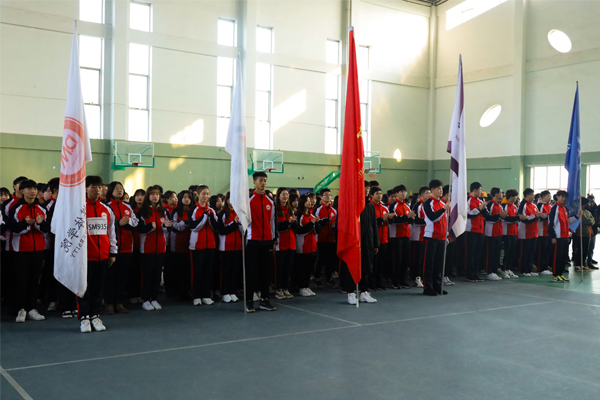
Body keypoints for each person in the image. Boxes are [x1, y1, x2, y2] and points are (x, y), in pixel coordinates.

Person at [78, 176, 117, 332]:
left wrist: (112, 252)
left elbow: (111, 232)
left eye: (100, 187)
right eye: (93, 187)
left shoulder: (107, 210)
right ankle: (84, 318)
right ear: (86, 189)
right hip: (84, 257)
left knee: (98, 288)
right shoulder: (80, 209)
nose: (97, 190)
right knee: (84, 289)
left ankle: (95, 315)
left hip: (103, 256)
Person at [8, 179, 49, 323]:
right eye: (29, 189)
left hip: (38, 250)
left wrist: (40, 223)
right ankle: (21, 309)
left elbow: (47, 229)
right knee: (21, 280)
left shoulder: (42, 208)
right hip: (20, 250)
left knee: (34, 280)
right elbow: (13, 228)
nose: (32, 191)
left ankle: (32, 308)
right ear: (22, 191)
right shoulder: (15, 208)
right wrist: (25, 223)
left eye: (34, 189)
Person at [104, 181, 139, 314]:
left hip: (127, 247)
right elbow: (105, 225)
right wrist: (119, 223)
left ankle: (119, 302)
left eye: (121, 188)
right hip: (111, 247)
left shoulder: (127, 207)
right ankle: (109, 303)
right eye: (116, 188)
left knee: (122, 276)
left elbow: (135, 221)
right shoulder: (106, 206)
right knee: (110, 277)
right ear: (111, 191)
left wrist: (127, 222)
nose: (120, 190)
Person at [136, 185, 173, 311]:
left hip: (161, 247)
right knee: (147, 275)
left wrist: (166, 226)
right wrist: (150, 227)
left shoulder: (164, 211)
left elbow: (168, 228)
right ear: (148, 196)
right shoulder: (142, 212)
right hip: (147, 248)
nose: (155, 196)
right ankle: (145, 299)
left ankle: (154, 298)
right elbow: (140, 229)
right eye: (152, 194)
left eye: (157, 194)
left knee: (157, 275)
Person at [245, 172, 277, 312]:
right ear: (254, 182)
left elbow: (272, 222)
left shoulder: (270, 201)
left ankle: (264, 300)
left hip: (267, 242)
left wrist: (274, 239)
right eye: (260, 180)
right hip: (253, 241)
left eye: (265, 180)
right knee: (252, 273)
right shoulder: (249, 201)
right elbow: (244, 221)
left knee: (266, 273)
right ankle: (249, 301)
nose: (263, 183)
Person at [342, 191, 379, 305]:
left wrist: (376, 243)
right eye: (364, 188)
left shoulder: (370, 205)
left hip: (367, 241)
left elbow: (374, 224)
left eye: (367, 189)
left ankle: (364, 292)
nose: (366, 191)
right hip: (353, 241)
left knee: (366, 267)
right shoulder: (350, 204)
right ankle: (351, 293)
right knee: (351, 267)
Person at [187, 185, 218, 306]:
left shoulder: (211, 210)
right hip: (197, 245)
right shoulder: (193, 210)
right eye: (203, 194)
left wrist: (210, 217)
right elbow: (193, 227)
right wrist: (204, 216)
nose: (206, 196)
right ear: (198, 195)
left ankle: (206, 295)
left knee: (208, 271)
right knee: (197, 272)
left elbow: (215, 227)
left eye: (207, 194)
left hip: (210, 245)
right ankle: (196, 296)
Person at [421, 179, 451, 296]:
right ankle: (427, 287)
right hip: (431, 237)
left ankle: (437, 285)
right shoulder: (427, 203)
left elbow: (445, 221)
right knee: (429, 263)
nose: (441, 191)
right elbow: (432, 217)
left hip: (441, 237)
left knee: (439, 264)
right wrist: (444, 209)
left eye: (441, 189)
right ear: (432, 190)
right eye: (438, 189)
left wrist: (446, 235)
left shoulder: (442, 204)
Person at [548, 190, 580, 282]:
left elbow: (567, 221)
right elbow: (551, 223)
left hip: (565, 237)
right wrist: (553, 236)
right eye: (562, 197)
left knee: (563, 257)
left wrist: (576, 216)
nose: (564, 199)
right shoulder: (555, 209)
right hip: (558, 237)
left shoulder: (564, 209)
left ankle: (561, 274)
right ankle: (556, 275)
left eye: (565, 197)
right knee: (557, 257)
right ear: (557, 197)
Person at [216, 192, 242, 303]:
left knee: (235, 271)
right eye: (231, 199)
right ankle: (225, 292)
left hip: (238, 246)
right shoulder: (223, 213)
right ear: (227, 200)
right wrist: (234, 224)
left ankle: (232, 291)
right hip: (226, 247)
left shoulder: (238, 212)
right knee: (226, 271)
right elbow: (222, 230)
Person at [389, 185, 415, 289]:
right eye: (401, 192)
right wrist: (406, 217)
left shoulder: (407, 206)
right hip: (396, 236)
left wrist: (411, 217)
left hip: (406, 235)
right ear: (396, 194)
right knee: (397, 259)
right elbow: (393, 220)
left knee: (405, 259)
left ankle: (403, 280)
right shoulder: (393, 206)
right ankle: (395, 281)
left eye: (405, 192)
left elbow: (409, 220)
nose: (404, 194)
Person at [274, 188, 298, 300]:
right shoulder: (275, 210)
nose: (285, 196)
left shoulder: (290, 210)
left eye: (287, 194)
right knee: (279, 268)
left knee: (288, 268)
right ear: (278, 196)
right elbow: (276, 226)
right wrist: (288, 222)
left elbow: (296, 227)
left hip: (291, 243)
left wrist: (293, 222)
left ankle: (285, 288)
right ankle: (278, 288)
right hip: (280, 243)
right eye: (283, 194)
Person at [295, 194, 321, 297]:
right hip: (303, 246)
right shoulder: (299, 216)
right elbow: (300, 231)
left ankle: (306, 286)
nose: (310, 202)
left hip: (312, 246)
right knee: (303, 268)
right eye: (307, 201)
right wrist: (311, 224)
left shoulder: (312, 215)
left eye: (310, 200)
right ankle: (301, 287)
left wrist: (316, 223)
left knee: (309, 268)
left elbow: (318, 231)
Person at [171, 190, 194, 300]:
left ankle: (187, 290)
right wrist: (185, 223)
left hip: (191, 244)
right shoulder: (176, 211)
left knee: (188, 270)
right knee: (178, 269)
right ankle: (178, 291)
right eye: (184, 197)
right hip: (178, 244)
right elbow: (174, 227)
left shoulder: (193, 210)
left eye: (188, 197)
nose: (187, 199)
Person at [518, 188, 546, 276]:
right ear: (527, 195)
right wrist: (535, 216)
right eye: (532, 194)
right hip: (525, 233)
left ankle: (529, 269)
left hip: (534, 233)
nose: (534, 196)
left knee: (531, 252)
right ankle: (523, 270)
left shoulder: (534, 205)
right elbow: (523, 218)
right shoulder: (522, 205)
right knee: (525, 252)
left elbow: (536, 216)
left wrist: (541, 216)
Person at [369, 186, 392, 291]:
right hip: (374, 239)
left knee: (382, 263)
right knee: (373, 263)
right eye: (377, 193)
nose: (379, 195)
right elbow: (370, 223)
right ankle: (372, 283)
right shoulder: (369, 207)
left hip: (384, 238)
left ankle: (379, 282)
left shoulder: (384, 207)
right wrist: (381, 219)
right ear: (371, 195)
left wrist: (390, 218)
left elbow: (388, 222)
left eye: (380, 193)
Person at [314, 188, 337, 288]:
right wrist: (326, 221)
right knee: (320, 260)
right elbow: (315, 223)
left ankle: (329, 279)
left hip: (331, 239)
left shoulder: (334, 210)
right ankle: (317, 278)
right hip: (320, 239)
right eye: (326, 195)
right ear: (321, 197)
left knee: (330, 260)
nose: (328, 197)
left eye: (329, 195)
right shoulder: (318, 209)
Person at [465, 182, 487, 282]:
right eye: (480, 189)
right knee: (471, 253)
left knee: (478, 253)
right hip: (471, 230)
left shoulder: (480, 200)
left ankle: (475, 273)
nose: (481, 192)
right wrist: (479, 208)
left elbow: (485, 214)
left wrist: (484, 208)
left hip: (480, 230)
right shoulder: (467, 200)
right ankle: (469, 274)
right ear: (475, 190)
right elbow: (468, 214)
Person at [483, 187, 507, 281]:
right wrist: (499, 216)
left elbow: (501, 217)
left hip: (498, 232)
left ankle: (494, 271)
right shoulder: (490, 205)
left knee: (497, 254)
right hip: (491, 233)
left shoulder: (500, 205)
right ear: (496, 194)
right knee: (490, 253)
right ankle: (489, 272)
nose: (502, 194)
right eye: (501, 193)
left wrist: (504, 216)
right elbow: (487, 218)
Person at [409, 186, 430, 287]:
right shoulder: (417, 206)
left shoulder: (429, 205)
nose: (429, 195)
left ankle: (424, 276)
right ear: (422, 195)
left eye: (430, 193)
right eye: (427, 193)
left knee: (426, 258)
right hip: (418, 236)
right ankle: (416, 277)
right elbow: (415, 220)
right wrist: (428, 221)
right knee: (418, 258)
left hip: (428, 235)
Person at [500, 189, 520, 279]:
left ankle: (508, 269)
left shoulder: (514, 206)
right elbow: (505, 219)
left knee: (512, 252)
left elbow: (515, 217)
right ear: (511, 197)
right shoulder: (504, 206)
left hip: (514, 232)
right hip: (506, 232)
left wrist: (517, 218)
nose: (516, 198)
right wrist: (517, 218)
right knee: (506, 252)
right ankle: (503, 269)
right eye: (515, 196)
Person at [573, 197, 595, 271]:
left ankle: (582, 264)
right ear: (583, 204)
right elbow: (585, 220)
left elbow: (593, 220)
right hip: (580, 234)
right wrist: (590, 221)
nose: (589, 204)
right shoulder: (579, 212)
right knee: (580, 250)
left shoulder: (587, 212)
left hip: (588, 233)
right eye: (587, 203)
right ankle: (577, 265)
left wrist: (590, 221)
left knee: (585, 250)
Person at [536, 190, 553, 275]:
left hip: (549, 232)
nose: (550, 198)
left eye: (550, 196)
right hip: (542, 232)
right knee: (542, 251)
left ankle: (546, 266)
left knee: (548, 251)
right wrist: (548, 216)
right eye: (548, 196)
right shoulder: (540, 205)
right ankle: (541, 268)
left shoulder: (550, 206)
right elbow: (540, 217)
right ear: (543, 197)